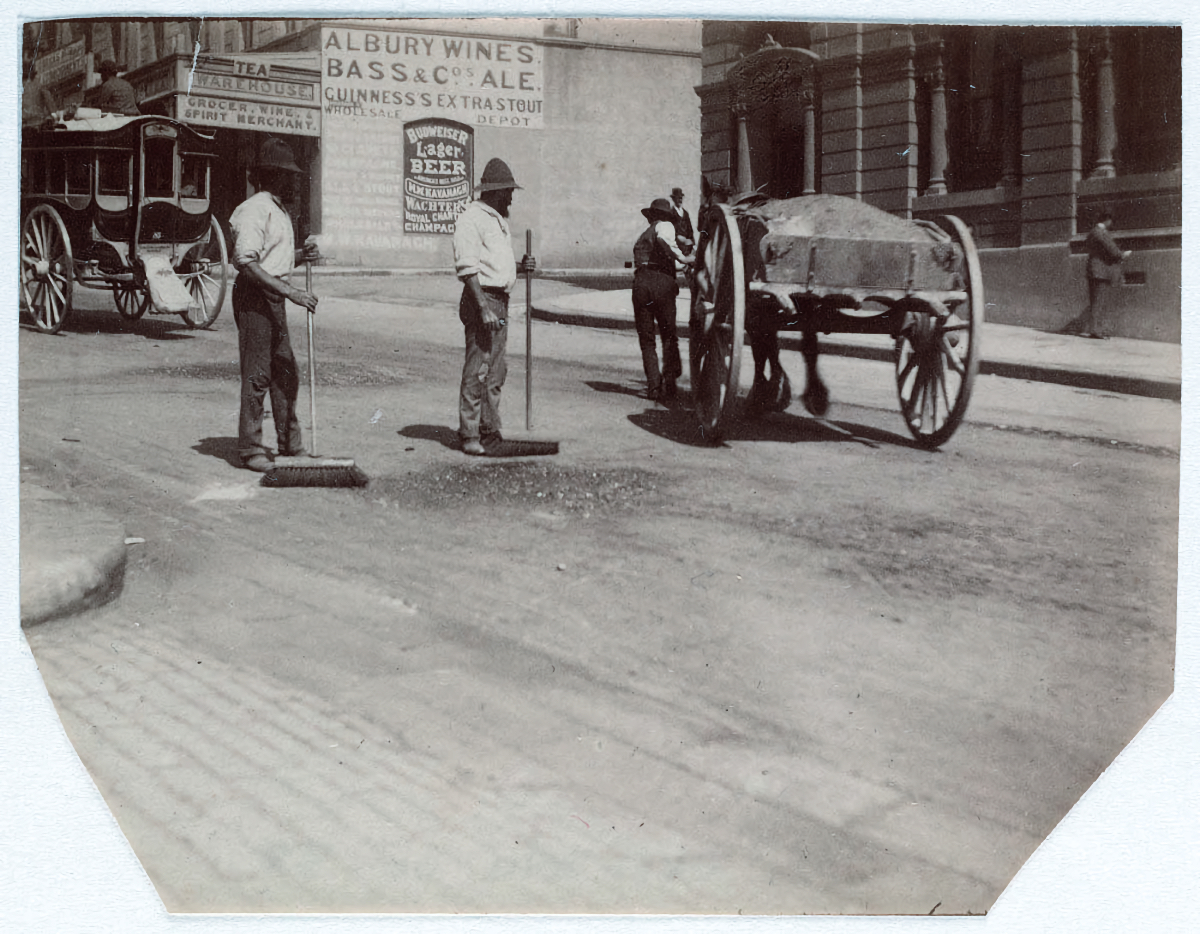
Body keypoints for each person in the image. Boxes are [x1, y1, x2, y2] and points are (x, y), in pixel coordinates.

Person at [228, 138, 320, 472]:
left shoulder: (279, 209)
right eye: (288, 175)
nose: (294, 180)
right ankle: (251, 448)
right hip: (254, 296)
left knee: (286, 371)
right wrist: (291, 292)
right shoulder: (256, 208)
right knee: (258, 374)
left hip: (273, 295)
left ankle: (289, 442)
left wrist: (299, 256)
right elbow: (246, 262)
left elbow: (272, 258)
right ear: (273, 176)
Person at [452, 157, 535, 456]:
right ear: (495, 191)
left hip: (499, 300)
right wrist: (484, 308)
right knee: (478, 368)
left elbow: (493, 265)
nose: (511, 196)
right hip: (482, 300)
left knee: (496, 371)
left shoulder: (496, 219)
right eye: (508, 191)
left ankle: (490, 429)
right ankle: (470, 433)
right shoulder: (471, 218)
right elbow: (468, 267)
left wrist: (520, 267)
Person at [632, 197, 694, 401]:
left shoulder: (644, 235)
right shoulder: (665, 226)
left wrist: (679, 262)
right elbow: (664, 241)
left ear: (651, 215)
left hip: (641, 284)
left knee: (647, 340)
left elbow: (658, 255)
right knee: (668, 334)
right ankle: (670, 381)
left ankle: (654, 387)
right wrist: (684, 258)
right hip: (662, 285)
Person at [1080, 212, 1131, 340]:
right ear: (1107, 220)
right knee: (1099, 302)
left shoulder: (1093, 232)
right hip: (1100, 272)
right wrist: (1123, 254)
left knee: (1096, 302)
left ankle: (1095, 330)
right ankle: (1096, 331)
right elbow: (1112, 250)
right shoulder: (1100, 232)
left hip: (1095, 271)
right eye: (1111, 221)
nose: (1111, 224)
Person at [22, 56, 58, 126]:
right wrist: (54, 115)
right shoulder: (39, 84)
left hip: (22, 123)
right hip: (37, 122)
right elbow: (49, 100)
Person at [669, 186, 694, 255]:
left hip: (687, 244)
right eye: (678, 198)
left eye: (681, 198)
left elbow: (690, 229)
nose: (680, 200)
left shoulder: (685, 213)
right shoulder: (671, 213)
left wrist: (691, 241)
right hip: (677, 243)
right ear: (673, 199)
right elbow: (670, 229)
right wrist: (678, 237)